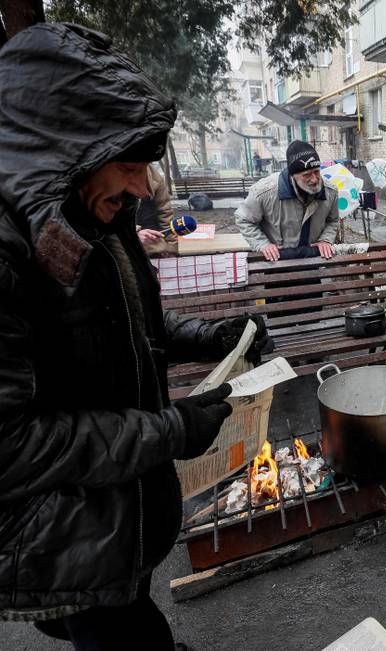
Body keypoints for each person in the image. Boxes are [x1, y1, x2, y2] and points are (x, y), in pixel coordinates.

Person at [0, 23, 270, 648]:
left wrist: (215, 336)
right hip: (66, 536)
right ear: (63, 151)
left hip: (122, 517)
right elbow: (9, 446)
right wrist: (170, 431)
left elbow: (137, 327)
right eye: (130, 164)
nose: (144, 188)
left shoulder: (98, 213)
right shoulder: (12, 250)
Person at [236, 140, 339, 262]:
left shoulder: (330, 191)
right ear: (292, 175)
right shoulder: (264, 192)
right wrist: (262, 244)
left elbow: (333, 220)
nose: (315, 179)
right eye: (307, 175)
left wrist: (325, 239)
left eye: (317, 171)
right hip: (276, 262)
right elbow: (244, 219)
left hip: (313, 259)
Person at [135, 163, 175, 253]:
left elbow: (165, 213)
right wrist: (134, 234)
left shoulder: (154, 175)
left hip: (154, 242)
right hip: (123, 244)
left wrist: (172, 248)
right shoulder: (110, 171)